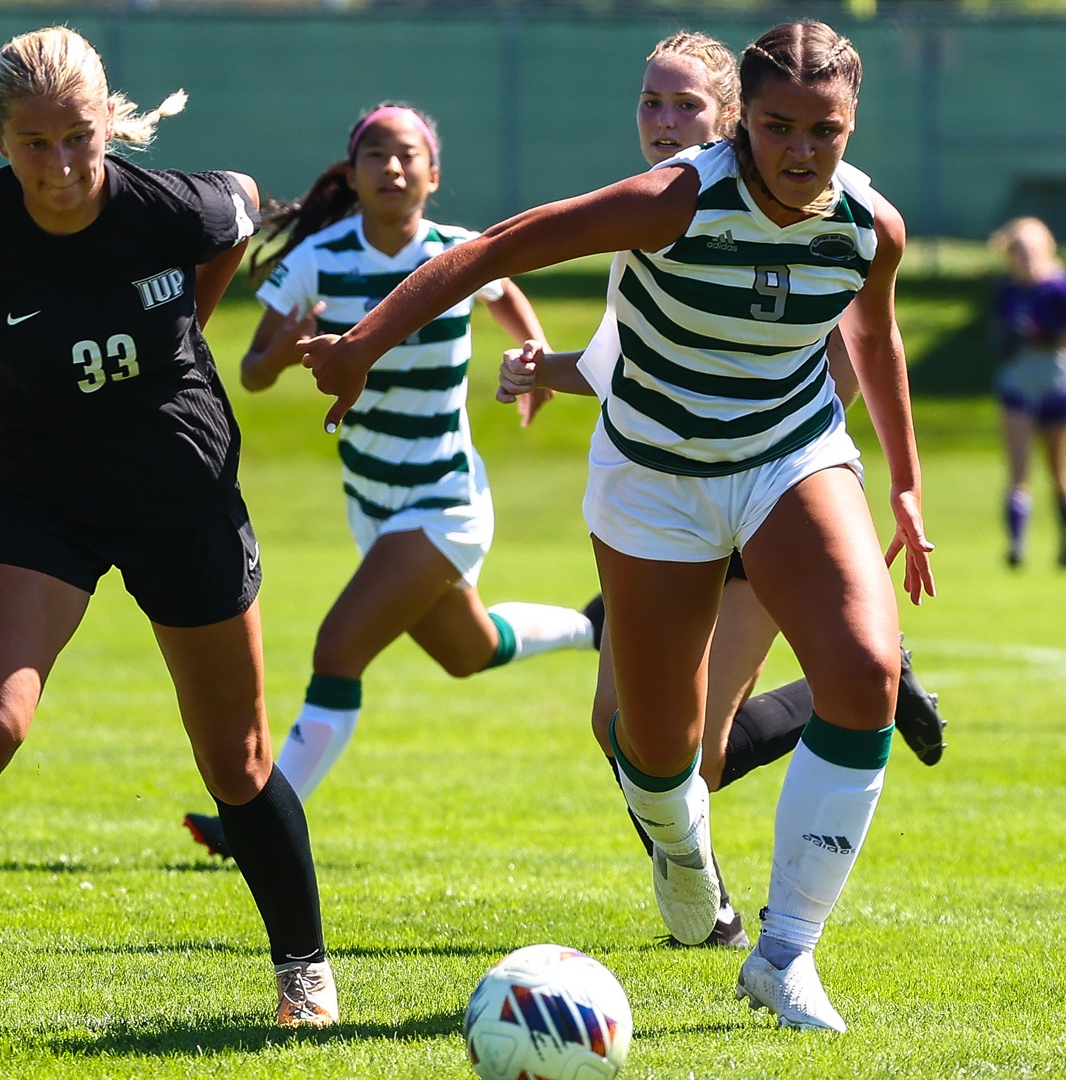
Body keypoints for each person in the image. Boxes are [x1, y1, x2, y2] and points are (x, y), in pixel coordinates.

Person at [295, 19, 933, 1035]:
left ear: (852, 124)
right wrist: (365, 343)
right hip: (655, 477)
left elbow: (875, 331)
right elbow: (500, 247)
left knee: (865, 673)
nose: (803, 150)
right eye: (779, 127)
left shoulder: (867, 224)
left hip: (787, 456)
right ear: (743, 127)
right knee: (656, 741)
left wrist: (901, 480)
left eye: (826, 129)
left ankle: (784, 953)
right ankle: (681, 850)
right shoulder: (675, 198)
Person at [0, 27, 336, 1027]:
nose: (62, 165)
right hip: (45, 498)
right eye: (36, 144)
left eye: (79, 138)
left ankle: (305, 974)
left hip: (182, 492)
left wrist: (193, 320)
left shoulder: (170, 206)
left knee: (237, 764)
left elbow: (238, 208)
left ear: (108, 126)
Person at [494, 30, 946, 953]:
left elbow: (843, 356)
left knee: (689, 749)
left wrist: (823, 470)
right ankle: (707, 870)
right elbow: (642, 364)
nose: (664, 124)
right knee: (622, 731)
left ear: (730, 121)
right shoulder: (668, 223)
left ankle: (727, 911)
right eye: (650, 104)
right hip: (663, 486)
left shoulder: (816, 220)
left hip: (766, 494)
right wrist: (553, 370)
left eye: (685, 107)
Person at [181, 103, 600, 858]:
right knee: (466, 651)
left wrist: (535, 360)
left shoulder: (455, 251)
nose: (392, 167)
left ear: (432, 175)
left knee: (338, 648)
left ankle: (251, 829)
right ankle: (593, 626)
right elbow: (250, 370)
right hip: (371, 504)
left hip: (444, 500)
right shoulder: (316, 259)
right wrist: (285, 352)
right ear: (352, 172)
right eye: (375, 155)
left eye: (408, 155)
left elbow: (502, 289)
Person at [988, 217, 1066, 569]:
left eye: (1031, 249)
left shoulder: (1060, 288)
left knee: (1059, 470)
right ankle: (1016, 545)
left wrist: (1044, 334)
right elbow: (997, 337)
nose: (1025, 257)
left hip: (1056, 379)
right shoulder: (1008, 291)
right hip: (1019, 380)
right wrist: (1009, 338)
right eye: (1018, 250)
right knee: (1018, 472)